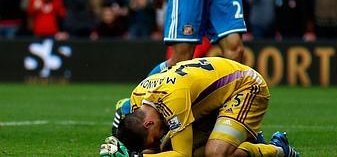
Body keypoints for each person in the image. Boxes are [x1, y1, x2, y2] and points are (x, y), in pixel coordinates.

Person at [100, 57, 300, 157]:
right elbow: (155, 149)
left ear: (148, 123)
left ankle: (277, 150)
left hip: (246, 86)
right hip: (212, 100)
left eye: (155, 135)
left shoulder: (172, 99)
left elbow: (182, 155)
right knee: (165, 149)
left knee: (214, 154)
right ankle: (251, 137)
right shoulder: (137, 97)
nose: (158, 137)